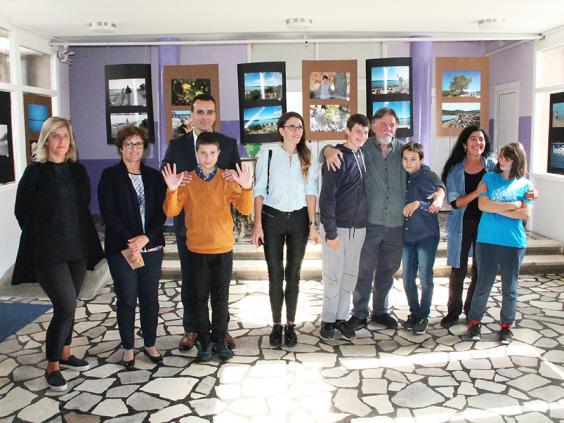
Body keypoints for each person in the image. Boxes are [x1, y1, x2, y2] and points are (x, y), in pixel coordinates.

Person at [323, 107, 444, 332]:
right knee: (364, 271)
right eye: (382, 124)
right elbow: (340, 149)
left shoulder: (404, 150)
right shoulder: (364, 147)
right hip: (369, 223)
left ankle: (380, 311)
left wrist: (440, 191)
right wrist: (327, 150)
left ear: (396, 127)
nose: (387, 128)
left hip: (396, 226)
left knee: (387, 271)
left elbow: (426, 171)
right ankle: (359, 313)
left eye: (392, 125)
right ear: (373, 127)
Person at [12, 117, 104, 392]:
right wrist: (43, 235)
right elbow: (21, 211)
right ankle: (52, 365)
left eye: (65, 136)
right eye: (55, 136)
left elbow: (82, 205)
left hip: (76, 248)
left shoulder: (77, 171)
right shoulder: (34, 173)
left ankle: (65, 353)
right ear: (46, 140)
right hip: (47, 252)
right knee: (64, 306)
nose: (61, 141)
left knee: (71, 303)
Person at [162, 132, 253, 362]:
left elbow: (245, 209)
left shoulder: (226, 179)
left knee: (220, 299)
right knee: (200, 299)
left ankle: (219, 340)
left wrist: (246, 187)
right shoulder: (187, 181)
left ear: (219, 154)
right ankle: (204, 341)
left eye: (212, 153)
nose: (208, 157)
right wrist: (172, 189)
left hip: (222, 249)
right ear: (196, 154)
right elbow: (171, 211)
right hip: (196, 250)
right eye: (203, 153)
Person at [98, 124, 167, 369]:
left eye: (138, 144)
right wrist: (132, 241)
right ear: (121, 148)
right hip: (122, 249)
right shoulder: (110, 176)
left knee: (150, 298)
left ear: (144, 148)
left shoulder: (154, 177)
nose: (134, 149)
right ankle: (128, 347)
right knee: (127, 298)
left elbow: (162, 212)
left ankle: (149, 343)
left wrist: (146, 238)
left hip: (151, 247)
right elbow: (109, 214)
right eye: (128, 144)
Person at [251, 111, 321, 348]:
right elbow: (259, 191)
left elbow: (311, 192)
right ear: (281, 130)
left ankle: (290, 325)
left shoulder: (307, 156)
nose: (296, 131)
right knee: (275, 275)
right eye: (291, 127)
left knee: (293, 275)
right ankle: (276, 324)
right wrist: (257, 225)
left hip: (299, 221)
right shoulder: (268, 154)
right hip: (272, 220)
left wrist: (312, 224)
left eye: (299, 127)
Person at [467, 142, 533, 344]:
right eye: (501, 155)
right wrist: (513, 205)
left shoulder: (526, 185)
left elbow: (525, 213)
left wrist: (498, 208)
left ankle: (506, 327)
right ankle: (474, 322)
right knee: (483, 284)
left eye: (507, 157)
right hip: (486, 240)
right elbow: (483, 205)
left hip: (513, 243)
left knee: (509, 288)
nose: (501, 160)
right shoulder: (489, 178)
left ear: (517, 160)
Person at [318, 114, 369, 341]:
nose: (362, 136)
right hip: (337, 228)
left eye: (365, 132)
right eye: (357, 131)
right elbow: (327, 198)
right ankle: (328, 320)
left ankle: (341, 318)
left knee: (349, 277)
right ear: (347, 131)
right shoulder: (337, 158)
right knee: (333, 276)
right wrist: (330, 232)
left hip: (359, 228)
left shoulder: (362, 154)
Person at [439, 126, 495, 328]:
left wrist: (530, 191)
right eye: (473, 139)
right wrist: (476, 193)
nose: (478, 143)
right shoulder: (455, 170)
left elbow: (512, 179)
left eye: (481, 139)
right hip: (461, 224)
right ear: (464, 144)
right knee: (458, 269)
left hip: (486, 225)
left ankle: (472, 310)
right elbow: (455, 203)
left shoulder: (492, 166)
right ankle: (453, 310)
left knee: (480, 269)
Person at [400, 143, 440, 335]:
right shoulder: (401, 177)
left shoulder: (428, 176)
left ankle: (424, 315)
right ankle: (414, 313)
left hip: (426, 236)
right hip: (407, 237)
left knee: (425, 278)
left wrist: (419, 204)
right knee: (407, 278)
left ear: (421, 160)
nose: (408, 163)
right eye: (405, 159)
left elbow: (435, 204)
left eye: (413, 159)